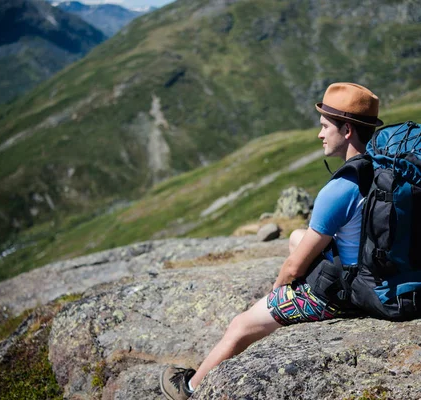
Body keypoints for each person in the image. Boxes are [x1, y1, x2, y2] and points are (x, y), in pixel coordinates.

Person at [160, 82, 384, 400]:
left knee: (241, 324)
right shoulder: (386, 169)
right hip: (378, 273)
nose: (320, 134)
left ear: (346, 129)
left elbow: (293, 268)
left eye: (324, 126)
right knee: (296, 236)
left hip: (347, 294)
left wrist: (276, 293)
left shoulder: (340, 189)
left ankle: (191, 387)